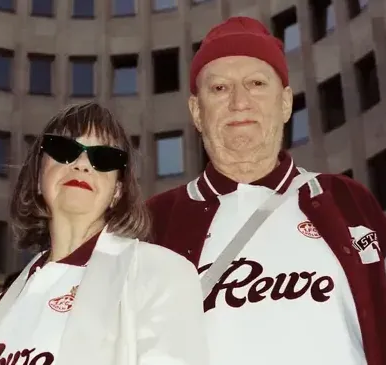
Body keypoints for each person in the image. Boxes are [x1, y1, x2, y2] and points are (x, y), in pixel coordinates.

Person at [147, 16, 386, 365]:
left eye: (256, 83)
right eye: (219, 88)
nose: (239, 102)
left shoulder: (347, 201)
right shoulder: (154, 222)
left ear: (286, 102)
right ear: (197, 111)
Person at [0, 102, 208, 365]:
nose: (82, 164)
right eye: (64, 149)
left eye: (104, 158)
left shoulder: (159, 273)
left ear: (117, 191)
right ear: (37, 177)